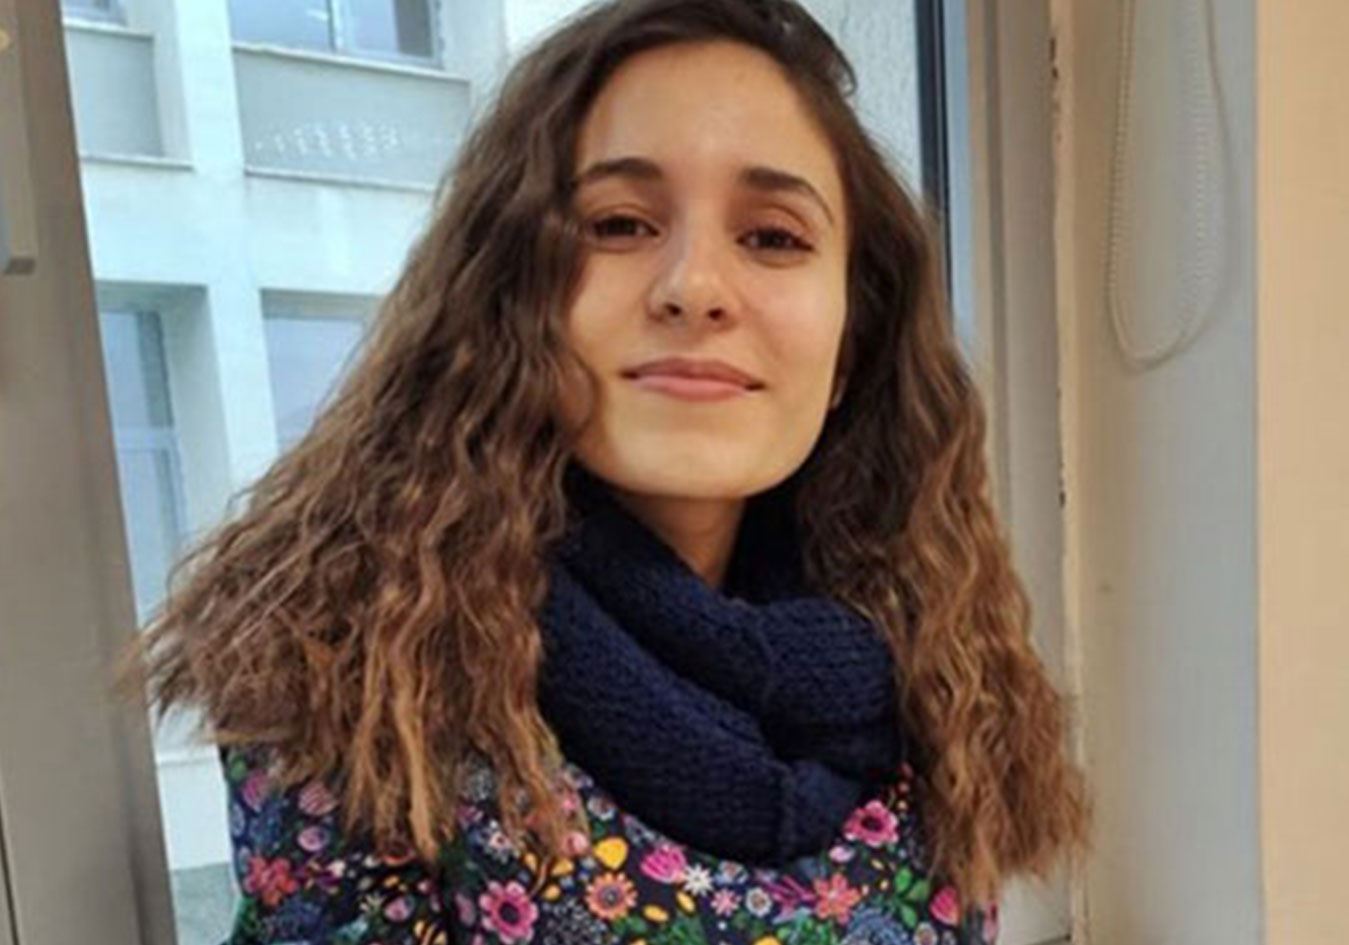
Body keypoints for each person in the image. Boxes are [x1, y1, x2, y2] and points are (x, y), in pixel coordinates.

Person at [115, 1, 1091, 942]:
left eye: (773, 236)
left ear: (850, 347)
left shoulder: (929, 657)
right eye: (620, 224)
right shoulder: (367, 689)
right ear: (511, 297)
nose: (694, 288)